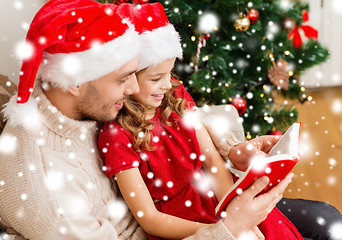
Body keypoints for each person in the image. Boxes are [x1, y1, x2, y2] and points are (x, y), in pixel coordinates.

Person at [0, 0, 293, 239]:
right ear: (74, 81)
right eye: (123, 79)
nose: (134, 89)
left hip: (203, 210)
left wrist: (235, 149)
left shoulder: (82, 102)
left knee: (327, 217)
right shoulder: (47, 198)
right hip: (188, 228)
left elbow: (169, 122)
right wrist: (230, 228)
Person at [99, 3, 303, 240]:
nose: (167, 85)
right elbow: (150, 219)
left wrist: (232, 211)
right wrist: (224, 231)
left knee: (271, 230)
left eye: (170, 73)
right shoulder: (116, 136)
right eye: (156, 78)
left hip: (215, 199)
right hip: (180, 223)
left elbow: (212, 160)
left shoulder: (175, 95)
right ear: (127, 77)